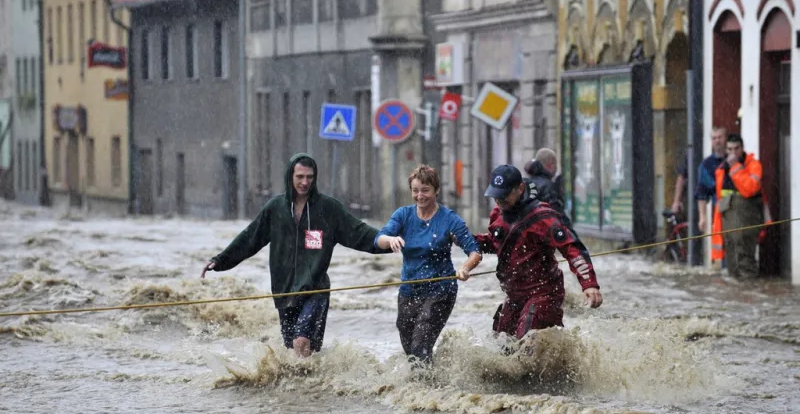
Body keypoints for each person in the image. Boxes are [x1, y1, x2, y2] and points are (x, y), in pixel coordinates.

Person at [201, 153, 386, 357]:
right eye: (300, 177)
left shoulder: (328, 209)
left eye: (309, 177)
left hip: (315, 290)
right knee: (296, 353)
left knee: (301, 341)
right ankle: (306, 388)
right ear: (290, 176)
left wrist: (389, 243)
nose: (305, 182)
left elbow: (359, 232)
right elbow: (249, 239)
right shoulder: (275, 208)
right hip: (284, 292)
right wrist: (219, 261)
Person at [462, 165, 602, 341]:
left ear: (520, 189)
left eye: (504, 195)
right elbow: (495, 243)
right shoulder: (498, 214)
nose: (499, 200)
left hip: (544, 294)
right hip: (514, 295)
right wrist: (462, 239)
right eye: (495, 195)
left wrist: (589, 283)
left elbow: (572, 248)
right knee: (503, 344)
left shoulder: (543, 216)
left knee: (525, 344)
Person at [376, 165, 482, 365]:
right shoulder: (403, 215)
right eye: (415, 191)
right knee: (410, 348)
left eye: (425, 190)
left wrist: (465, 268)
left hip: (440, 291)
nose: (420, 196)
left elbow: (475, 251)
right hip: (409, 290)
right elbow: (379, 238)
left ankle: (425, 392)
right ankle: (430, 382)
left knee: (420, 344)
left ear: (436, 190)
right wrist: (390, 240)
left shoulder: (449, 219)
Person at [715, 133, 763, 279]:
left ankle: (750, 294)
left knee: (745, 259)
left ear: (742, 148)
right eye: (730, 149)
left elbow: (749, 189)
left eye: (736, 149)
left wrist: (735, 168)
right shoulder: (721, 170)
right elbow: (720, 199)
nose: (733, 153)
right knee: (732, 262)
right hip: (728, 221)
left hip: (746, 220)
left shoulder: (753, 165)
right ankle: (735, 297)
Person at [695, 126, 728, 268]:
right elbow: (701, 193)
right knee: (721, 247)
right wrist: (702, 217)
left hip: (737, 210)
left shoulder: (736, 158)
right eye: (714, 138)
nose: (717, 141)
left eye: (719, 137)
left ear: (726, 138)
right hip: (719, 212)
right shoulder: (706, 165)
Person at [523, 147, 567, 218]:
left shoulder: (527, 182)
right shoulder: (548, 186)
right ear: (551, 164)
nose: (556, 168)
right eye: (556, 164)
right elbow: (556, 215)